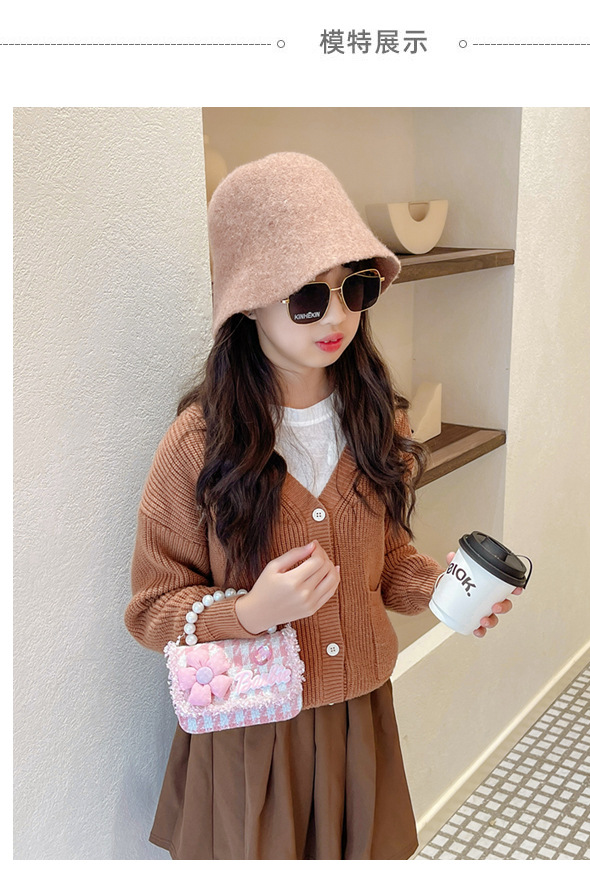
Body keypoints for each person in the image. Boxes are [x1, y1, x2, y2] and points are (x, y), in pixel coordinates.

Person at [124, 152, 520, 860]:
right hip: (250, 735)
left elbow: (387, 560)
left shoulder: (378, 421)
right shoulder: (198, 444)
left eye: (355, 287)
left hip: (358, 721)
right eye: (308, 297)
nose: (337, 315)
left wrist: (443, 590)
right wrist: (249, 613)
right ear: (248, 301)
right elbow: (152, 608)